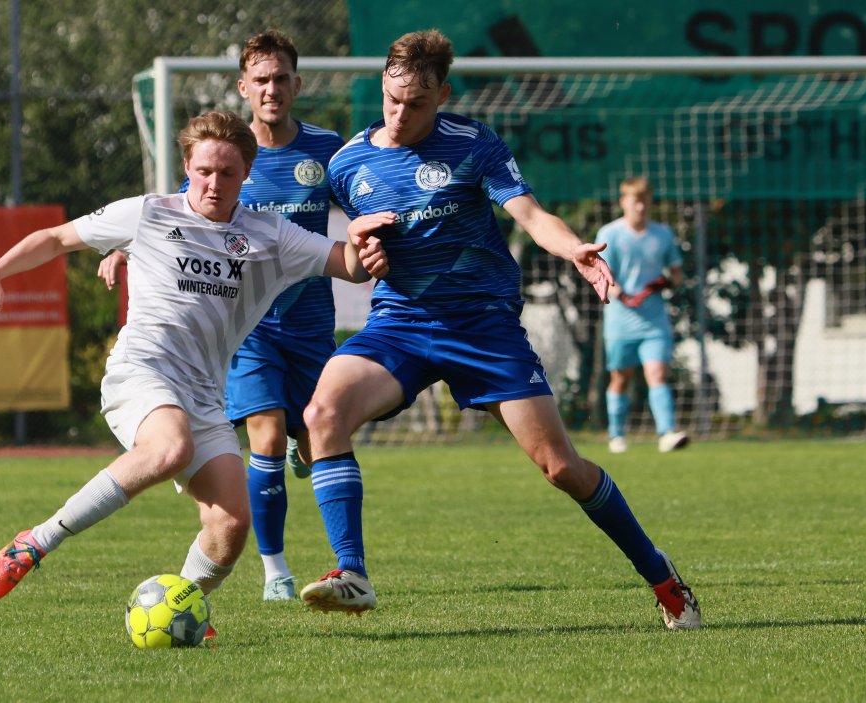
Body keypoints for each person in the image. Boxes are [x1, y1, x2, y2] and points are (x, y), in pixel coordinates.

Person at [296, 30, 701, 630]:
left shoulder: (474, 144)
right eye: (391, 100)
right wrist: (361, 255)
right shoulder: (350, 162)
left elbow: (532, 216)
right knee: (323, 413)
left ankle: (663, 578)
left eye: (416, 104)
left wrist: (575, 252)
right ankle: (351, 572)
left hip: (483, 328)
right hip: (400, 325)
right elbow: (343, 255)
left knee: (561, 468)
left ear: (443, 95)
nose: (400, 114)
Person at [0, 112, 390, 636]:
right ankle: (37, 540)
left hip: (204, 395)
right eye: (204, 170)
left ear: (246, 173)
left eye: (228, 173)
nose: (214, 183)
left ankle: (181, 606)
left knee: (231, 526)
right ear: (187, 166)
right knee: (170, 450)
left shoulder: (268, 234)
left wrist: (366, 238)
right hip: (140, 373)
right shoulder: (146, 213)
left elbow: (346, 263)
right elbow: (56, 239)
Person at [100, 31, 346, 602]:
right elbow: (176, 215)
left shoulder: (326, 149)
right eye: (260, 80)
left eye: (282, 79)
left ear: (296, 85)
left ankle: (298, 443)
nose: (272, 90)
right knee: (262, 437)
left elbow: (357, 209)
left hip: (311, 320)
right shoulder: (227, 153)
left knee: (318, 440)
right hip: (251, 323)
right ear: (244, 87)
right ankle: (276, 572)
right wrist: (122, 247)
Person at [595, 177, 689, 454]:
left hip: (654, 319)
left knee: (657, 373)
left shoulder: (663, 234)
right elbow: (602, 276)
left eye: (644, 199)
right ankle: (617, 435)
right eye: (634, 200)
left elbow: (676, 275)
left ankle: (667, 434)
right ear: (623, 202)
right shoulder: (609, 234)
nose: (640, 205)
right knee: (621, 378)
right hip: (620, 320)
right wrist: (622, 294)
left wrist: (663, 283)